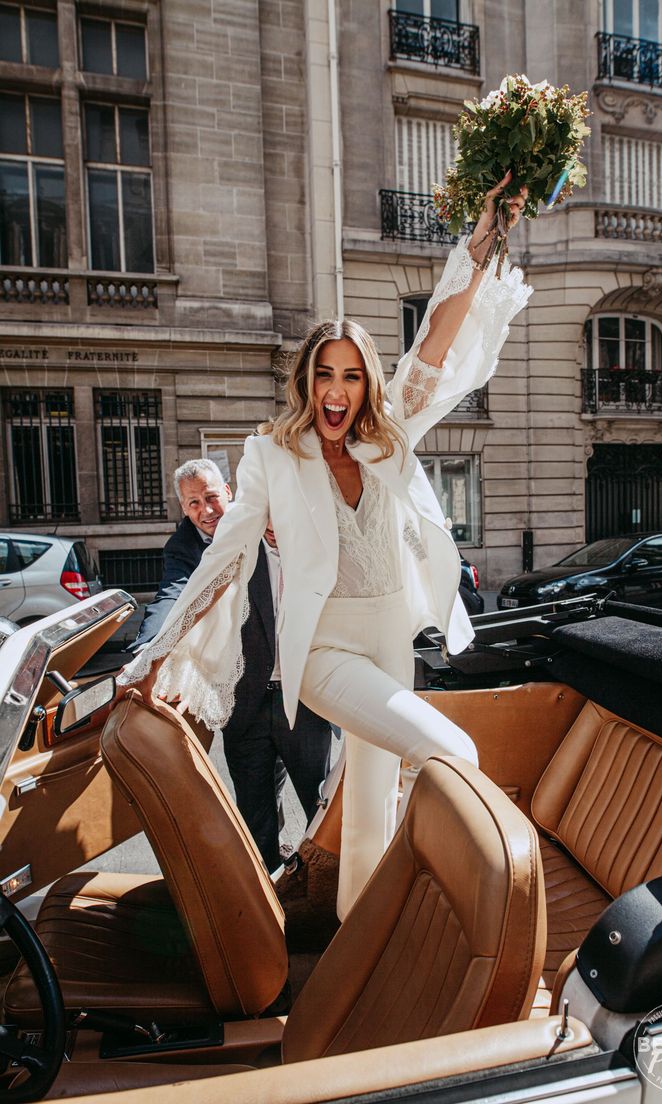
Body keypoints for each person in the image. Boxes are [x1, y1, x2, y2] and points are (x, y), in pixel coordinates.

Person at [118, 176, 531, 918]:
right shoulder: (269, 457)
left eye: (350, 375)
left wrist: (486, 234)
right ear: (306, 382)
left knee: (370, 811)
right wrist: (149, 662)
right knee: (450, 754)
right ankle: (453, 911)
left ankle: (359, 933)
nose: (336, 391)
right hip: (324, 655)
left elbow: (436, 335)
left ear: (364, 382)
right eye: (323, 375)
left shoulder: (389, 434)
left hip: (389, 639)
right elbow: (221, 562)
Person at [132, 458, 332, 873]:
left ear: (228, 491)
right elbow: (172, 597)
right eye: (192, 504)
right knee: (255, 819)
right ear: (182, 509)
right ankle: (273, 908)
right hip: (244, 706)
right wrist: (147, 652)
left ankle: (331, 899)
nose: (204, 510)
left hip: (303, 697)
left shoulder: (267, 522)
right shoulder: (184, 547)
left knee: (323, 809)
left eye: (210, 497)